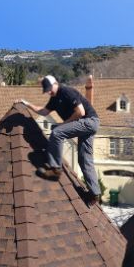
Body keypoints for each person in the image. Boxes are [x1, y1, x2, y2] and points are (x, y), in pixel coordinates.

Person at [21, 75, 101, 205]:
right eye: (46, 90)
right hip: (88, 124)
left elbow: (80, 112)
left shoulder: (66, 91)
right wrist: (26, 104)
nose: (49, 92)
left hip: (89, 121)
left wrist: (64, 124)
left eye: (49, 89)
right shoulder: (54, 99)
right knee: (84, 159)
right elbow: (43, 111)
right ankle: (94, 194)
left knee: (57, 132)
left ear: (55, 83)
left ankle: (55, 169)